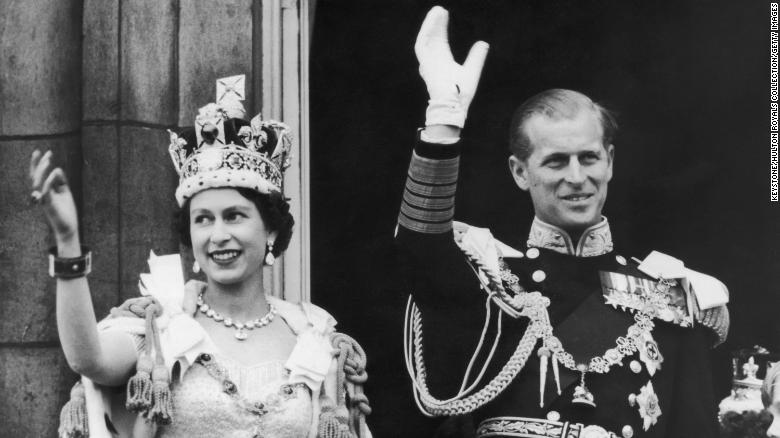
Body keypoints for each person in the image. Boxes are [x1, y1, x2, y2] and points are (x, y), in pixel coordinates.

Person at [397, 7, 730, 438]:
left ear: (609, 161)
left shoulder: (670, 298)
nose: (577, 177)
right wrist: (443, 120)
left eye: (588, 157)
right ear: (520, 172)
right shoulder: (494, 283)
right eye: (555, 161)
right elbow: (418, 250)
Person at [31, 77, 371, 438]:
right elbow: (89, 359)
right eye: (203, 219)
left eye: (234, 216)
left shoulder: (312, 335)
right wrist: (68, 242)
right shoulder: (160, 327)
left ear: (270, 230)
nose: (218, 234)